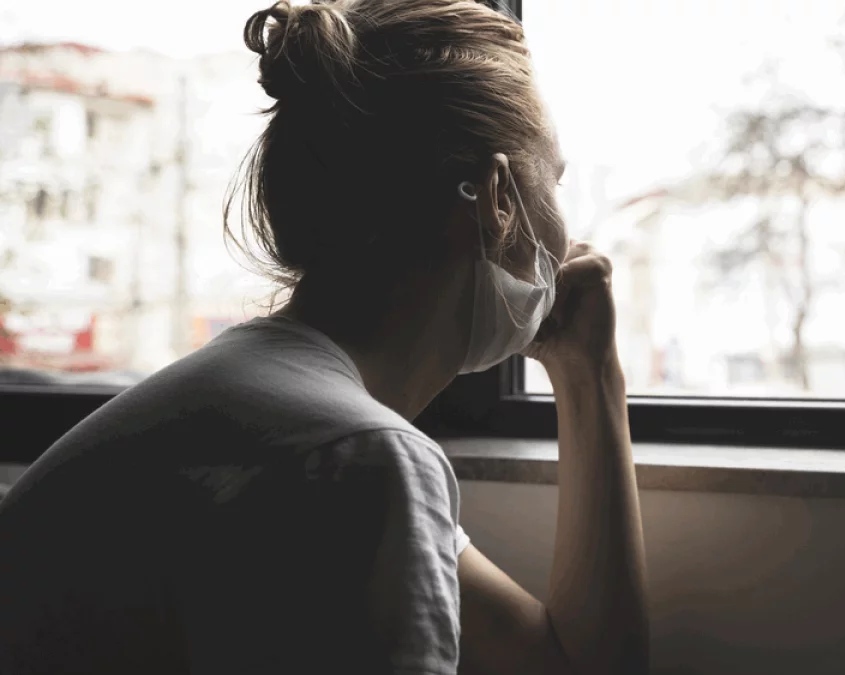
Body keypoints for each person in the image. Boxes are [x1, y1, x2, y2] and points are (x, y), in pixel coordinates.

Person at [0, 1, 649, 673]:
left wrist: (590, 372)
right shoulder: (356, 456)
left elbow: (566, 663)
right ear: (497, 199)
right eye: (555, 181)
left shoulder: (275, 405)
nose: (568, 234)